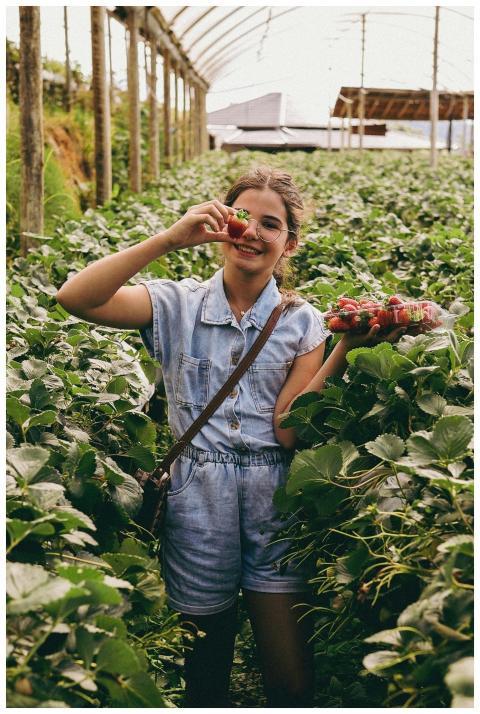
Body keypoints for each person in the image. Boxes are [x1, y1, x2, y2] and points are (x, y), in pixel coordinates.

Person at [56, 166, 405, 707]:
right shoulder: (175, 304)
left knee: (289, 676)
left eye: (273, 224)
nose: (255, 233)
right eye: (244, 217)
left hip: (276, 495)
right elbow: (76, 297)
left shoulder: (302, 321)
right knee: (204, 663)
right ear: (221, 224)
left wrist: (344, 348)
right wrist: (171, 238)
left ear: (289, 243)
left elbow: (288, 432)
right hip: (197, 491)